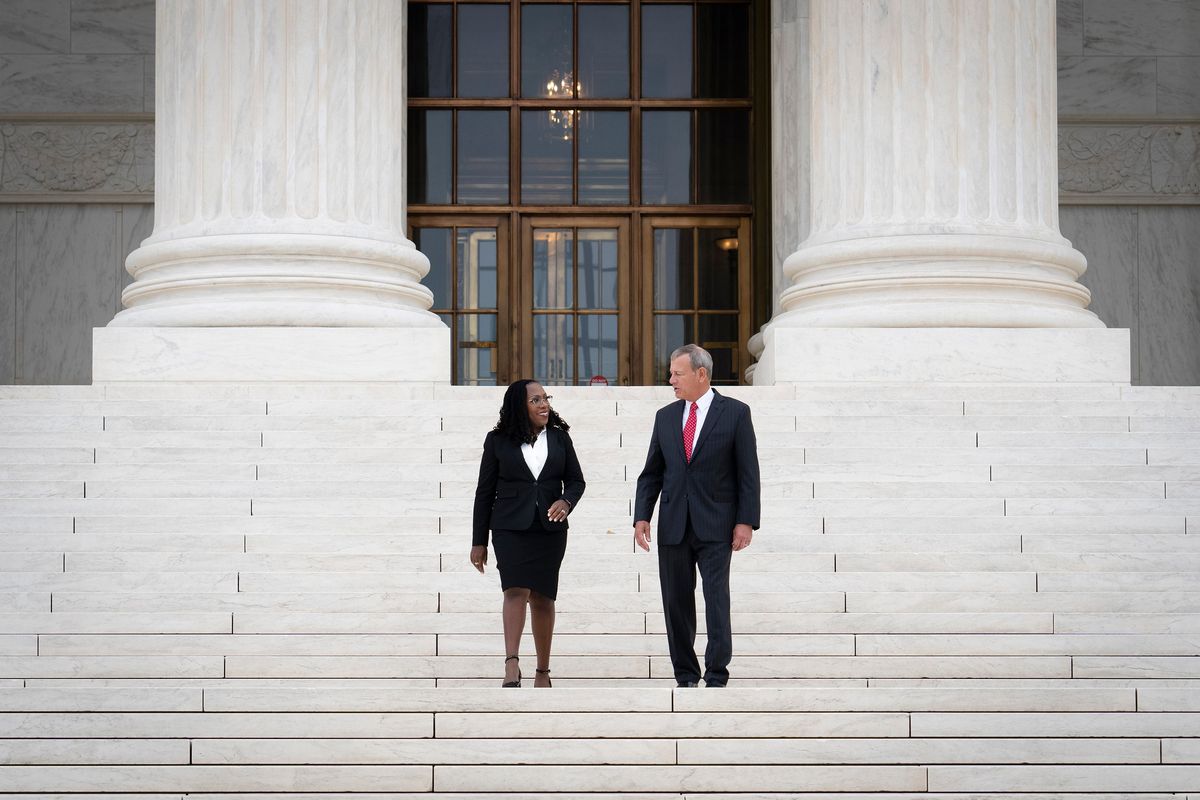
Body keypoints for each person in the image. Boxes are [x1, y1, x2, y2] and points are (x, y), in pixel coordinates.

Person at [634, 344, 760, 687]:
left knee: (716, 598)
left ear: (701, 374)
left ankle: (717, 673)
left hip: (716, 524)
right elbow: (652, 473)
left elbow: (748, 472)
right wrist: (642, 515)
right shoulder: (666, 417)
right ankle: (686, 674)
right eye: (671, 373)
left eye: (677, 373)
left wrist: (745, 521)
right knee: (675, 602)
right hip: (673, 525)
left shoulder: (735, 413)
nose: (670, 379)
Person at [471, 379, 585, 687]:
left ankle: (542, 672)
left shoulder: (560, 439)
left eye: (545, 398)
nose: (543, 404)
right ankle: (512, 663)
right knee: (515, 591)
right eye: (535, 400)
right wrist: (478, 541)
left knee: (544, 598)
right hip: (509, 527)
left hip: (549, 530)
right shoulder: (497, 441)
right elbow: (484, 491)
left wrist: (566, 500)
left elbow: (576, 481)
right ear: (519, 407)